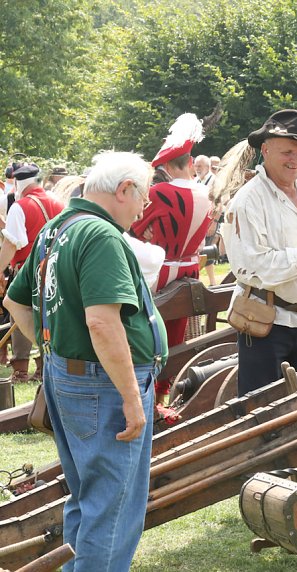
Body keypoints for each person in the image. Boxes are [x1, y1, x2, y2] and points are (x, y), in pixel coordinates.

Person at [4, 150, 167, 571]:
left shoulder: (58, 228)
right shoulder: (101, 235)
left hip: (71, 377)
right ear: (124, 189)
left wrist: (54, 347)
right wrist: (132, 396)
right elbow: (101, 323)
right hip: (103, 386)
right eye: (142, 198)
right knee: (112, 509)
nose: (143, 208)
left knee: (88, 499)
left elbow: (15, 302)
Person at [221, 109, 297, 396]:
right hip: (265, 323)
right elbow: (251, 266)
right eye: (287, 152)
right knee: (264, 416)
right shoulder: (248, 200)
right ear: (265, 150)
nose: (296, 160)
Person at [128, 113, 211, 407]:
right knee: (175, 336)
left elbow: (134, 227)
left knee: (145, 332)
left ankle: (145, 393)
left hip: (159, 271)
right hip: (189, 269)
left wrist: (147, 231)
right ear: (190, 163)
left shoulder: (160, 192)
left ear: (164, 166)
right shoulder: (205, 193)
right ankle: (163, 394)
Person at [0, 163, 64, 382]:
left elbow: (11, 246)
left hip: (29, 271)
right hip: (57, 268)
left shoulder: (21, 206)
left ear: (17, 182)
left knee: (18, 311)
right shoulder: (58, 201)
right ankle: (44, 367)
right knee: (50, 316)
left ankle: (20, 369)